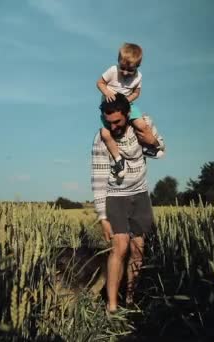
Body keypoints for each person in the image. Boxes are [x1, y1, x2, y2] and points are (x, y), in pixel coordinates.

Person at [91, 93, 165, 313]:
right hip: (116, 196)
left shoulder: (143, 125)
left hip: (140, 195)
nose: (113, 127)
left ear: (128, 115)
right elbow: (98, 178)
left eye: (117, 122)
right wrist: (102, 217)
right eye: (108, 122)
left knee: (138, 249)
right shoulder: (101, 139)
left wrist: (151, 141)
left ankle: (130, 300)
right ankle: (111, 306)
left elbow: (159, 151)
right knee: (120, 247)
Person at [97, 42, 164, 179]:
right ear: (118, 61)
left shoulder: (138, 77)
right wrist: (107, 92)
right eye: (123, 68)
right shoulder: (112, 71)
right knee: (105, 133)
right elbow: (100, 83)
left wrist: (128, 99)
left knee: (141, 125)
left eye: (130, 70)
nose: (126, 72)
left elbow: (137, 93)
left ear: (137, 67)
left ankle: (146, 148)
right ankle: (118, 160)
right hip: (109, 106)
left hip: (127, 104)